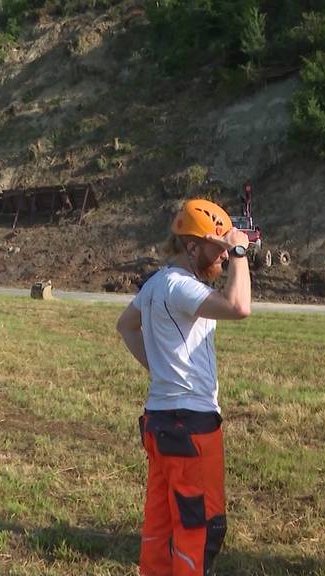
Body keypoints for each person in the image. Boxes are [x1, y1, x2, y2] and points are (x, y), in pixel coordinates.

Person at [116, 198, 251, 576]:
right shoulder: (181, 287)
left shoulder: (157, 284)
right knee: (200, 529)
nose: (223, 258)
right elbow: (239, 306)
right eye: (217, 248)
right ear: (192, 247)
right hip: (191, 427)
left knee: (160, 530)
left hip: (160, 423)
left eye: (227, 250)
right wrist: (240, 249)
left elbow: (126, 325)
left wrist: (159, 368)